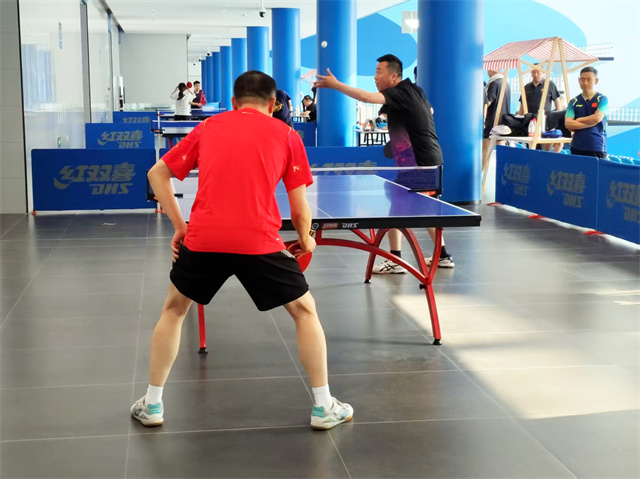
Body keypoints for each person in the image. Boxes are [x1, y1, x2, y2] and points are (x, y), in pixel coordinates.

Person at [131, 70, 353, 431]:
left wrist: (180, 226)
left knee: (174, 310)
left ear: (234, 102)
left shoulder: (208, 127)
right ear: (274, 103)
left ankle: (152, 404)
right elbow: (299, 209)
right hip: (259, 242)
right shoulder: (287, 134)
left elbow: (157, 174)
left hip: (204, 240)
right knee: (304, 312)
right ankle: (324, 406)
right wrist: (307, 238)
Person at [314, 54, 454, 272]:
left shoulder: (399, 93)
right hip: (428, 161)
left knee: (397, 209)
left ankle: (396, 259)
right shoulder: (415, 91)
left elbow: (367, 98)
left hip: (418, 163)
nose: (375, 77)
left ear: (394, 76)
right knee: (426, 209)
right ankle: (442, 256)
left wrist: (336, 85)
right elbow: (430, 111)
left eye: (379, 72)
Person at [565, 66, 608, 158]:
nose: (585, 83)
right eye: (582, 79)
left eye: (589, 79)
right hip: (577, 146)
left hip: (597, 147)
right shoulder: (573, 101)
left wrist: (578, 120)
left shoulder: (602, 99)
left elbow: (597, 118)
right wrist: (591, 123)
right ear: (579, 80)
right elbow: (568, 124)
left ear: (596, 81)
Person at [482, 69, 510, 173]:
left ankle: (481, 174)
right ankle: (502, 172)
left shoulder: (494, 83)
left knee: (485, 151)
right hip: (504, 122)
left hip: (492, 122)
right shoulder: (506, 83)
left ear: (491, 70)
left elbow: (488, 102)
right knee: (501, 151)